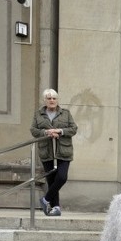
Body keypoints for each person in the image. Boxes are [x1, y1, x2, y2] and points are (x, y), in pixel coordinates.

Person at [29, 88, 78, 217]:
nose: (52, 100)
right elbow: (33, 130)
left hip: (63, 150)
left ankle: (45, 200)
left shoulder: (65, 113)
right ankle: (56, 207)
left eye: (54, 98)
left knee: (62, 177)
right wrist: (46, 132)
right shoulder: (38, 114)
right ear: (45, 100)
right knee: (51, 180)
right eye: (49, 98)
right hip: (46, 151)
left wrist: (60, 131)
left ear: (57, 100)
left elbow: (73, 129)